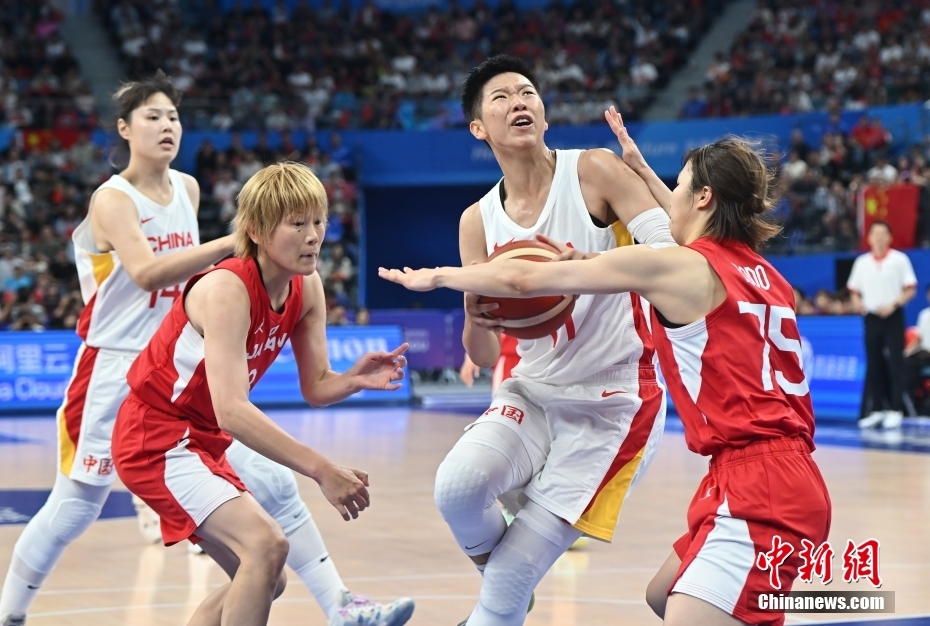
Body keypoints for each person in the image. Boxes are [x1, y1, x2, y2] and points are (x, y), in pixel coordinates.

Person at [381, 116, 832, 626]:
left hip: (759, 487)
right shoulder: (768, 276)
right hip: (771, 474)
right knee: (662, 595)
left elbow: (523, 278)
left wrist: (439, 275)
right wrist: (643, 171)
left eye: (678, 188)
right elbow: (688, 233)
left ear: (703, 198)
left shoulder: (672, 267)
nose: (668, 199)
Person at [415, 55, 670, 626]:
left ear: (545, 113)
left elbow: (670, 251)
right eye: (501, 98)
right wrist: (478, 312)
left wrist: (590, 268)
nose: (519, 102)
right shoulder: (476, 221)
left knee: (507, 577)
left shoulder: (594, 171)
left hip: (614, 398)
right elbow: (481, 357)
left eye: (527, 92)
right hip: (531, 388)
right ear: (479, 128)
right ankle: (510, 582)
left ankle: (508, 587)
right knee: (456, 490)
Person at [112, 162, 414, 626]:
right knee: (266, 545)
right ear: (255, 229)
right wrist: (322, 469)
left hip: (200, 440)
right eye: (297, 223)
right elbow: (231, 409)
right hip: (155, 435)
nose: (314, 235)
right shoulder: (226, 288)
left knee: (267, 578)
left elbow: (315, 387)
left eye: (319, 220)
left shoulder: (307, 286)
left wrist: (351, 379)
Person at [0, 72, 236, 626]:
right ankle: (10, 612)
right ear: (125, 129)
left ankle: (299, 589)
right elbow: (149, 273)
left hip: (171, 360)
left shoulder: (189, 188)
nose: (167, 125)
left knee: (228, 475)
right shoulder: (111, 198)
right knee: (77, 506)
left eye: (174, 116)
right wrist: (231, 242)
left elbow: (190, 278)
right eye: (153, 116)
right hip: (111, 362)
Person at [848, 221, 916, 430]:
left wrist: (894, 304)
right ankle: (877, 409)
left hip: (893, 315)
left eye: (882, 233)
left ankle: (896, 410)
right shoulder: (862, 262)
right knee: (874, 361)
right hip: (871, 317)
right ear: (868, 238)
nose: (878, 237)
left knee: (896, 361)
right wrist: (857, 303)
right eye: (874, 233)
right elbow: (853, 289)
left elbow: (910, 288)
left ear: (889, 237)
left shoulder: (899, 259)